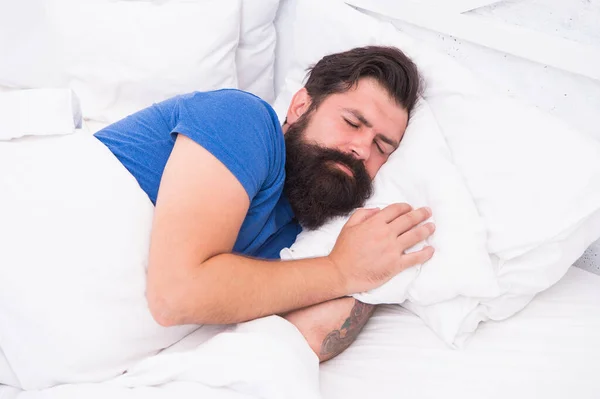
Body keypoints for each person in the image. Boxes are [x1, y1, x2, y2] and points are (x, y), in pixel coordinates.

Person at [94, 46, 435, 362]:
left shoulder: (300, 239)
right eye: (352, 122)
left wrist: (372, 272)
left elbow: (307, 339)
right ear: (301, 106)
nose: (362, 149)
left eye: (382, 147)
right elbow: (175, 296)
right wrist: (340, 271)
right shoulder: (242, 120)